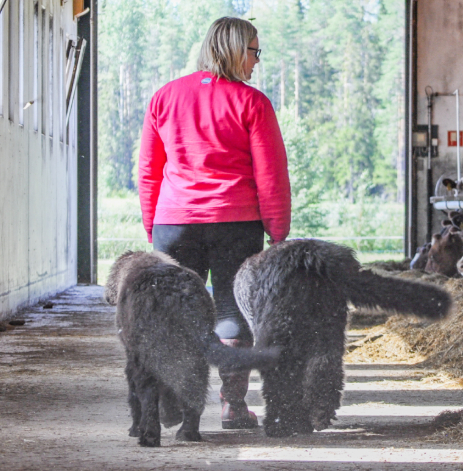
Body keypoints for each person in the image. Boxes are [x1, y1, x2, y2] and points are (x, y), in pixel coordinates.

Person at [137, 17, 290, 430]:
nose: (257, 62)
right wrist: (277, 231)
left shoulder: (164, 97)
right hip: (235, 223)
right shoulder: (252, 103)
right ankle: (233, 407)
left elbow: (150, 171)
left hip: (175, 223)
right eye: (255, 51)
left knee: (172, 314)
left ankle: (174, 401)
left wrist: (154, 227)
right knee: (231, 310)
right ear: (236, 50)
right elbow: (271, 175)